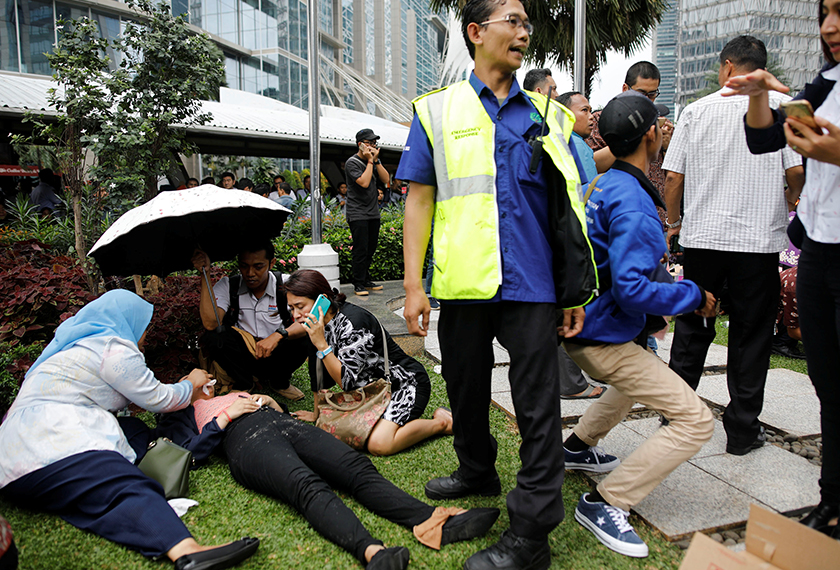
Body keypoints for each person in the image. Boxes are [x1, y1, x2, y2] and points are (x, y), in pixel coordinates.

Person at [397, 0, 596, 567]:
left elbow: (570, 208)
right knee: (464, 385)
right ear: (476, 32)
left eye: (527, 23)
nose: (524, 31)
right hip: (462, 282)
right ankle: (476, 469)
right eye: (513, 20)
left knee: (538, 407)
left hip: (533, 285)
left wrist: (574, 290)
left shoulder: (549, 115)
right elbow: (419, 201)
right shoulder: (436, 111)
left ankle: (531, 535)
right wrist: (415, 287)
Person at [0, 290, 259, 569]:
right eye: (145, 327)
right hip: (53, 441)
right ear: (128, 320)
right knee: (126, 484)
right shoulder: (113, 347)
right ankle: (187, 550)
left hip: (14, 469)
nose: (145, 336)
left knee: (113, 466)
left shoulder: (74, 349)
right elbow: (158, 399)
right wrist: (192, 382)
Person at [562, 91, 716, 558]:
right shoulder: (631, 200)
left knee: (635, 377)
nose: (664, 130)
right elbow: (631, 287)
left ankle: (577, 446)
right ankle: (606, 501)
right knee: (695, 420)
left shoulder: (604, 183)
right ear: (650, 134)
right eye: (660, 124)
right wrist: (693, 296)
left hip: (588, 327)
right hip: (601, 337)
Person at [150, 384, 500, 570]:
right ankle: (373, 553)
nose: (207, 383)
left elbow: (280, 410)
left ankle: (432, 522)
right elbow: (191, 452)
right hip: (243, 443)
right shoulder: (178, 414)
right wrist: (225, 417)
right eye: (199, 380)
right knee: (307, 486)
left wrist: (271, 403)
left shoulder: (234, 391)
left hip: (283, 424)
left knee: (356, 468)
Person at [724, 0, 840, 536]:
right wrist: (761, 96)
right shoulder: (827, 81)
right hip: (820, 249)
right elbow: (764, 138)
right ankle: (832, 499)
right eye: (826, 13)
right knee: (826, 381)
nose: (830, 27)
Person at [663, 35, 805, 456]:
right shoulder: (781, 110)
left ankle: (676, 414)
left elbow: (673, 178)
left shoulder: (696, 111)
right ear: (761, 68)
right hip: (758, 243)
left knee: (692, 327)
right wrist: (788, 200)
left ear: (727, 67)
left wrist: (674, 223)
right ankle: (742, 430)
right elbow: (796, 173)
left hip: (703, 239)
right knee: (751, 333)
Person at [285, 269, 453, 455]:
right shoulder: (315, 325)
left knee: (379, 444)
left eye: (300, 306)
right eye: (292, 308)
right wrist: (316, 415)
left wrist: (322, 345)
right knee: (331, 429)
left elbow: (346, 382)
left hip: (403, 384)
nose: (296, 315)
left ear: (322, 300)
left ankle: (442, 422)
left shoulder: (354, 323)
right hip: (369, 393)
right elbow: (317, 373)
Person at [192, 242, 310, 400]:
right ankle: (244, 383)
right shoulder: (229, 285)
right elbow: (210, 323)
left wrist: (278, 335)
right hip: (244, 357)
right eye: (244, 266)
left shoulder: (287, 284)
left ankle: (279, 382)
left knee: (307, 334)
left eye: (258, 266)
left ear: (271, 263)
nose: (250, 273)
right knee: (215, 335)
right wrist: (204, 275)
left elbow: (311, 319)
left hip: (278, 352)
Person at [586, 61, 675, 228]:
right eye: (641, 93)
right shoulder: (602, 120)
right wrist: (630, 138)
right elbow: (590, 164)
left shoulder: (662, 125)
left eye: (652, 94)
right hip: (614, 214)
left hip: (656, 218)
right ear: (625, 89)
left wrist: (667, 147)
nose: (647, 100)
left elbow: (675, 176)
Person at [345, 129, 389, 296]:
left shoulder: (374, 161)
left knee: (370, 248)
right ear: (360, 144)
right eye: (369, 143)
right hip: (357, 214)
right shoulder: (352, 162)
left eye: (374, 143)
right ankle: (358, 283)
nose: (373, 146)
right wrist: (370, 162)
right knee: (361, 249)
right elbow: (363, 182)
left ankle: (365, 279)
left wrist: (376, 161)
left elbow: (386, 180)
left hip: (373, 213)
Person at [557, 91, 598, 184]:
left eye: (590, 111)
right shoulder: (576, 143)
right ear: (566, 114)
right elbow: (589, 189)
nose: (591, 116)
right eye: (584, 110)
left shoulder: (557, 140)